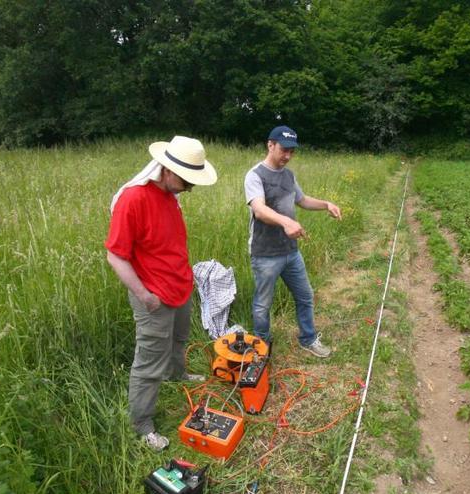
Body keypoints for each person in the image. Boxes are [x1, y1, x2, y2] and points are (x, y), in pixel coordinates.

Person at [105, 136, 217, 451]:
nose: (189, 187)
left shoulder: (170, 196)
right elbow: (115, 256)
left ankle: (177, 374)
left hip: (180, 286)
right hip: (152, 296)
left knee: (179, 339)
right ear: (167, 169)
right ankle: (142, 425)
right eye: (186, 180)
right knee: (149, 362)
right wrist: (144, 295)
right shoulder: (134, 199)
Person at [244, 125, 341, 358]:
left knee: (305, 295)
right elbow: (259, 209)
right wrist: (286, 222)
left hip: (290, 251)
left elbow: (303, 200)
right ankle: (262, 346)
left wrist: (326, 204)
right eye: (283, 150)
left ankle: (307, 339)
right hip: (265, 254)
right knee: (262, 305)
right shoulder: (255, 175)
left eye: (292, 152)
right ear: (270, 145)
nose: (287, 156)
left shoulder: (289, 175)